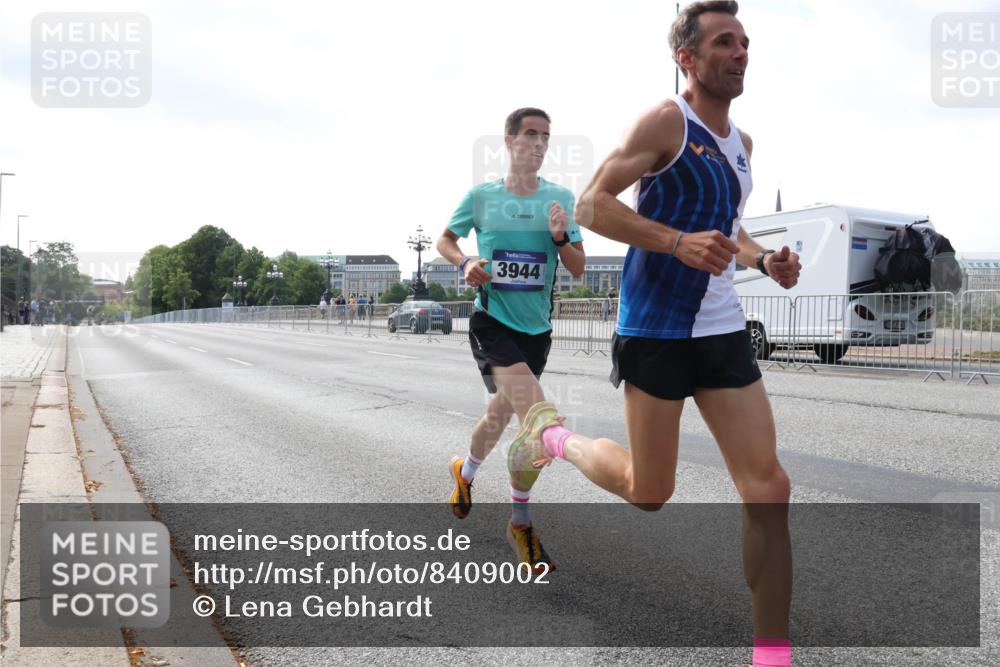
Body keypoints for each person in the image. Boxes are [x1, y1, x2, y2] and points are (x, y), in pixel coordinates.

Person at [505, 4, 801, 666]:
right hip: (656, 328)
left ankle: (772, 654)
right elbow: (591, 203)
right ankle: (554, 439)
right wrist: (674, 242)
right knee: (649, 491)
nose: (741, 51)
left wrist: (763, 260)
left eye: (745, 41)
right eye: (724, 41)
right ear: (687, 58)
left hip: (721, 328)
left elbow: (729, 226)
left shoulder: (743, 145)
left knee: (769, 486)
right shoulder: (667, 120)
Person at [438, 107, 585, 572]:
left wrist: (559, 239)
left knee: (498, 417)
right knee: (538, 421)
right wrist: (465, 263)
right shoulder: (482, 197)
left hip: (536, 332)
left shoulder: (559, 198)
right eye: (530, 135)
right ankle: (520, 524)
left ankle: (465, 472)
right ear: (508, 140)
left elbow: (579, 267)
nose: (539, 144)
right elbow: (445, 240)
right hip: (493, 322)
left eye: (546, 137)